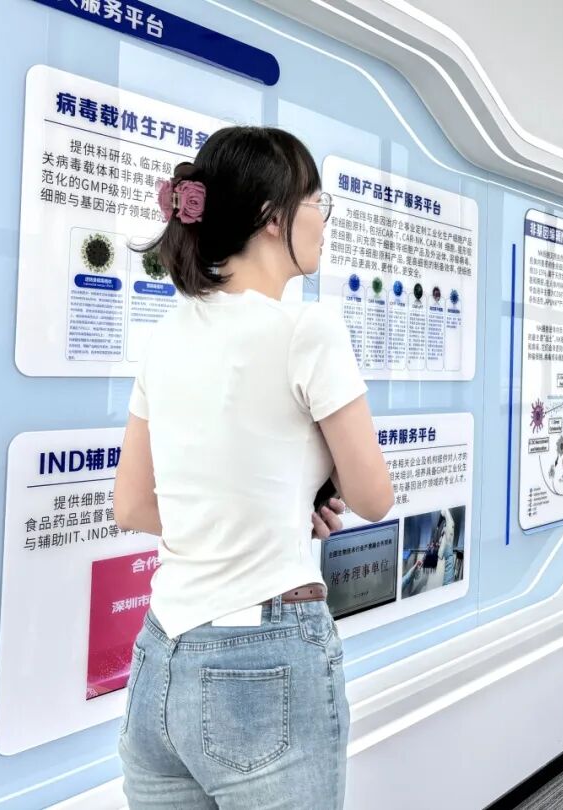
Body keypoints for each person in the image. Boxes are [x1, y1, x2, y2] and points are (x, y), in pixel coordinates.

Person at [113, 126, 394, 809]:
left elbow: (132, 505)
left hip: (160, 660)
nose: (323, 219)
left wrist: (272, 509)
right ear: (273, 217)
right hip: (264, 660)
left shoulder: (165, 335)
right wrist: (293, 507)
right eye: (316, 203)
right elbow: (373, 496)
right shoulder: (308, 329)